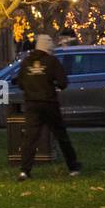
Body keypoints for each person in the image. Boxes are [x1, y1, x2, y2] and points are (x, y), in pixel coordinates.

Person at [17, 34, 82, 181]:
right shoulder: (52, 61)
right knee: (61, 135)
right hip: (49, 103)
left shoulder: (26, 62)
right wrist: (52, 84)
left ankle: (24, 171)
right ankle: (73, 166)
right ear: (49, 47)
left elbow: (20, 83)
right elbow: (63, 82)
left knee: (30, 138)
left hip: (31, 103)